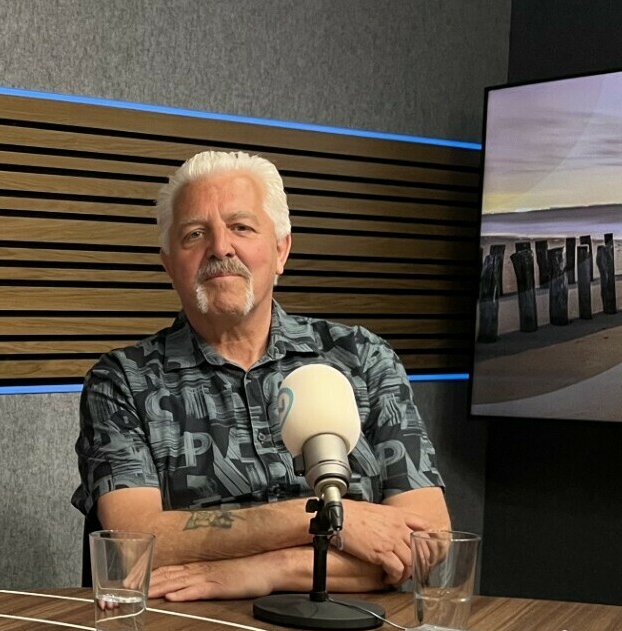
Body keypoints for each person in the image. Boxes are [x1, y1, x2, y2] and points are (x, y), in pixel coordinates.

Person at [71, 150, 450, 602]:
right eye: (195, 234)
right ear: (170, 264)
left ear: (281, 250)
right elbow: (134, 542)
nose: (220, 248)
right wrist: (335, 519)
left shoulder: (361, 358)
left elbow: (427, 542)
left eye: (241, 227)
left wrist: (267, 568)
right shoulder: (122, 381)